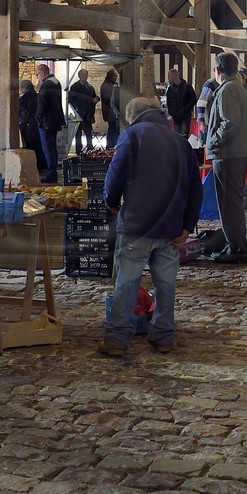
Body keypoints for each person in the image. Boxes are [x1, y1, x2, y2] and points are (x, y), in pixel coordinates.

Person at [100, 96, 202, 357]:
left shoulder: (132, 135)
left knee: (126, 282)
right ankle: (163, 337)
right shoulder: (181, 142)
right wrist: (188, 226)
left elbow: (116, 173)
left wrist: (111, 202)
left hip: (137, 224)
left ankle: (117, 340)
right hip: (171, 227)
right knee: (166, 284)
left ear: (132, 117)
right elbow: (195, 188)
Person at [205, 52, 247, 263]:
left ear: (218, 70)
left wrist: (213, 141)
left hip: (228, 154)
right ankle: (234, 242)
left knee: (229, 203)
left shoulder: (228, 89)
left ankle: (236, 247)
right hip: (235, 152)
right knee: (232, 201)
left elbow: (229, 122)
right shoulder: (238, 87)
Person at [34, 63, 65, 182]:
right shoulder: (57, 83)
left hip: (46, 121)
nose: (37, 77)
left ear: (42, 73)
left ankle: (51, 173)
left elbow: (42, 103)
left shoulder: (46, 85)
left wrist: (37, 118)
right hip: (55, 121)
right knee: (52, 147)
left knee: (47, 147)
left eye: (37, 74)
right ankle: (53, 171)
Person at [17, 79, 44, 175]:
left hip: (28, 126)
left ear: (24, 88)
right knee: (39, 147)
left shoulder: (24, 98)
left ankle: (33, 168)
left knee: (30, 148)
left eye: (20, 88)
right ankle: (40, 167)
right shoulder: (38, 96)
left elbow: (20, 110)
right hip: (38, 125)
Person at [68, 70, 98, 154]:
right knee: (78, 133)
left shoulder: (89, 86)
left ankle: (90, 148)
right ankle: (78, 150)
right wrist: (76, 109)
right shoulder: (75, 86)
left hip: (88, 113)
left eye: (86, 74)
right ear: (79, 76)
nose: (85, 76)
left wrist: (96, 99)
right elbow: (71, 99)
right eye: (83, 74)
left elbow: (94, 96)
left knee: (88, 132)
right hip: (79, 113)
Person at [165, 66, 197, 135]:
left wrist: (185, 109)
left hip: (185, 116)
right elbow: (169, 102)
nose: (168, 78)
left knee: (184, 135)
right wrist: (171, 112)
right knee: (177, 137)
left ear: (174, 75)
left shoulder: (187, 87)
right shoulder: (170, 89)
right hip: (175, 117)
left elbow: (193, 99)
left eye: (169, 76)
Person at [100, 69, 122, 148]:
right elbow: (110, 99)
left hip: (113, 112)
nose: (116, 77)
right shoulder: (106, 86)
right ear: (111, 76)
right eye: (114, 76)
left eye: (116, 76)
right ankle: (110, 146)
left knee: (115, 130)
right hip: (110, 112)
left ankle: (114, 145)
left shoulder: (113, 84)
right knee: (112, 130)